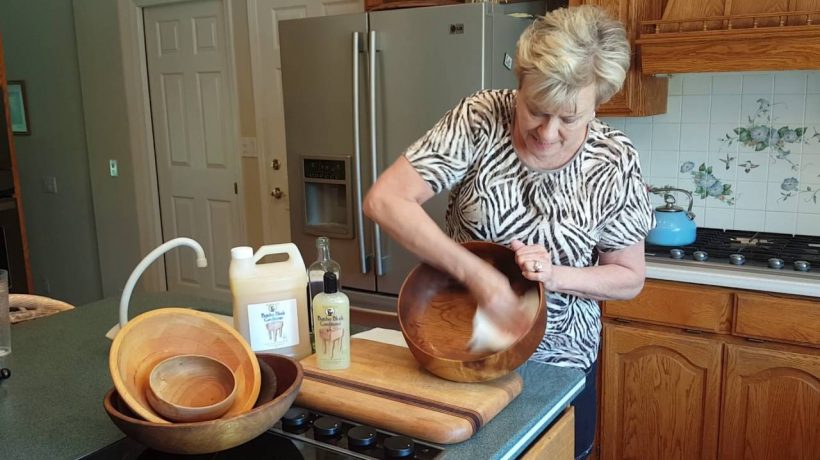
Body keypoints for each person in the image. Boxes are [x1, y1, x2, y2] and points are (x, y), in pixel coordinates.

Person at [363, 5, 654, 459]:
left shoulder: (614, 160)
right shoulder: (480, 118)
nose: (548, 132)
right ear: (518, 84)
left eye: (570, 118)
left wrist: (556, 276)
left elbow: (629, 276)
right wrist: (481, 277)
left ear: (599, 102)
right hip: (461, 352)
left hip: (560, 366)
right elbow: (385, 200)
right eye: (535, 109)